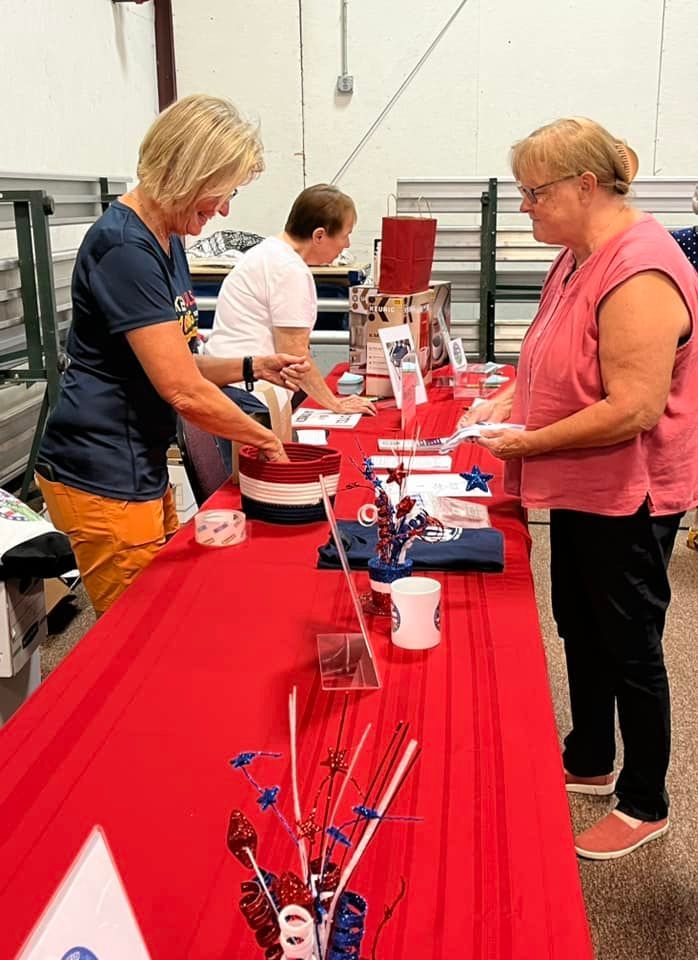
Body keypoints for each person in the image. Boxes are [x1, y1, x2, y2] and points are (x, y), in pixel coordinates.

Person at [461, 117, 698, 859]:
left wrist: (527, 441)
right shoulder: (576, 256)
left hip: (629, 491)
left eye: (534, 194)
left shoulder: (642, 267)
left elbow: (632, 406)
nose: (524, 207)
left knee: (630, 642)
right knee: (580, 623)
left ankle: (646, 798)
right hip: (579, 485)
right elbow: (553, 358)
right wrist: (507, 402)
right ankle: (591, 756)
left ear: (584, 186)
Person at [36, 94, 309, 616]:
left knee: (164, 607)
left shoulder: (167, 236)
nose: (224, 210)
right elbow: (182, 390)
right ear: (187, 173)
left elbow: (182, 364)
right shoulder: (124, 249)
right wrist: (264, 440)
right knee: (137, 630)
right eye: (220, 193)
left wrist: (254, 366)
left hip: (139, 462)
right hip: (103, 472)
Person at [204, 183, 377, 421]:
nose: (346, 245)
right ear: (319, 235)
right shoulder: (289, 269)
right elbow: (294, 355)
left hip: (232, 386)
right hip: (248, 396)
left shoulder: (269, 252)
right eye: (346, 235)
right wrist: (335, 404)